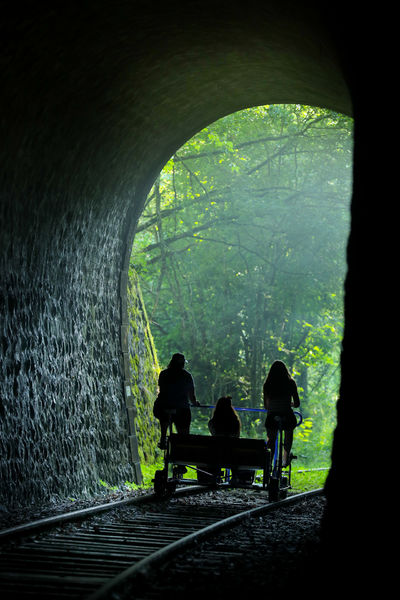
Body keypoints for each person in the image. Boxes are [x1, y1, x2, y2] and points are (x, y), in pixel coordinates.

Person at [153, 352, 199, 449]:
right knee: (183, 433)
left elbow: (162, 391)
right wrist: (195, 403)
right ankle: (183, 446)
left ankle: (163, 438)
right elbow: (192, 396)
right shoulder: (187, 376)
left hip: (163, 407)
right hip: (181, 409)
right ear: (182, 364)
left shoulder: (163, 374)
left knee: (164, 414)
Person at [263, 360, 300, 467]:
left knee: (271, 438)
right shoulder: (291, 383)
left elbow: (266, 406)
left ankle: (269, 462)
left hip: (272, 418)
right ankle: (285, 457)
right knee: (289, 433)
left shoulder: (267, 385)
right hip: (287, 417)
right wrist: (290, 403)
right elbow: (297, 403)